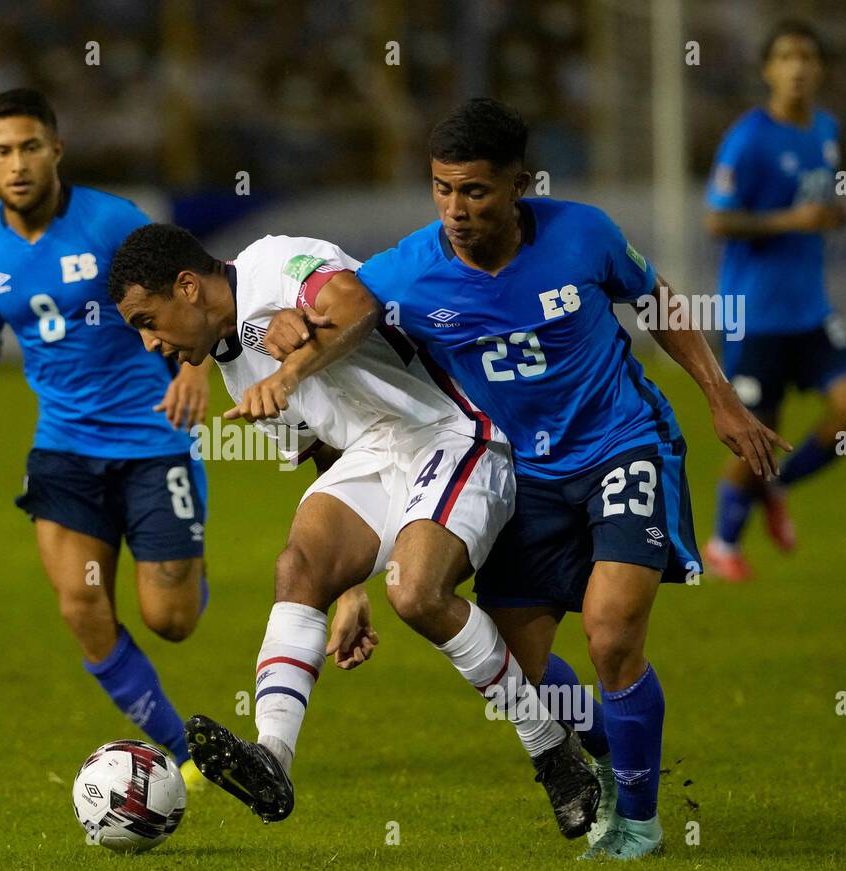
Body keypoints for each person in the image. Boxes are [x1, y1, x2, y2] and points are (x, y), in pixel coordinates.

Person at [269, 98, 786, 858]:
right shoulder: (411, 269)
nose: (456, 209)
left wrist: (721, 398)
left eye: (475, 191)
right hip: (518, 473)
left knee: (612, 631)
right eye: (442, 188)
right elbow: (338, 303)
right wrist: (294, 322)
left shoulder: (584, 234)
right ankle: (615, 753)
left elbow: (658, 300)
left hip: (620, 444)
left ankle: (639, 821)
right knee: (523, 663)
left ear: (520, 184)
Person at [109, 223, 600, 837]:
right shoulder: (238, 373)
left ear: (187, 287)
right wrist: (348, 590)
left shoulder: (271, 263)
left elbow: (358, 304)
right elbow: (325, 454)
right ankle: (272, 758)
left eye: (146, 321)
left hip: (451, 427)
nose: (151, 344)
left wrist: (288, 369)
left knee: (418, 594)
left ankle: (552, 748)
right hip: (373, 451)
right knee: (300, 568)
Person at [0, 90, 212, 784]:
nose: (16, 163)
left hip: (152, 438)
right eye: (2, 151)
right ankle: (185, 754)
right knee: (83, 604)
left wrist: (194, 365)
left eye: (29, 146)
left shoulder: (113, 222)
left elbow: (193, 295)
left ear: (56, 148)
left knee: (170, 619)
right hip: (64, 450)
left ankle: (187, 564)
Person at [704, 19, 846, 581]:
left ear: (819, 68)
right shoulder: (749, 138)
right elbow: (717, 220)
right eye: (785, 57)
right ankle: (724, 543)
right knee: (758, 439)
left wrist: (832, 211)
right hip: (756, 316)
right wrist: (790, 220)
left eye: (806, 56)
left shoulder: (826, 128)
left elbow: (824, 190)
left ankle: (776, 489)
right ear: (768, 70)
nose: (797, 67)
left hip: (811, 310)